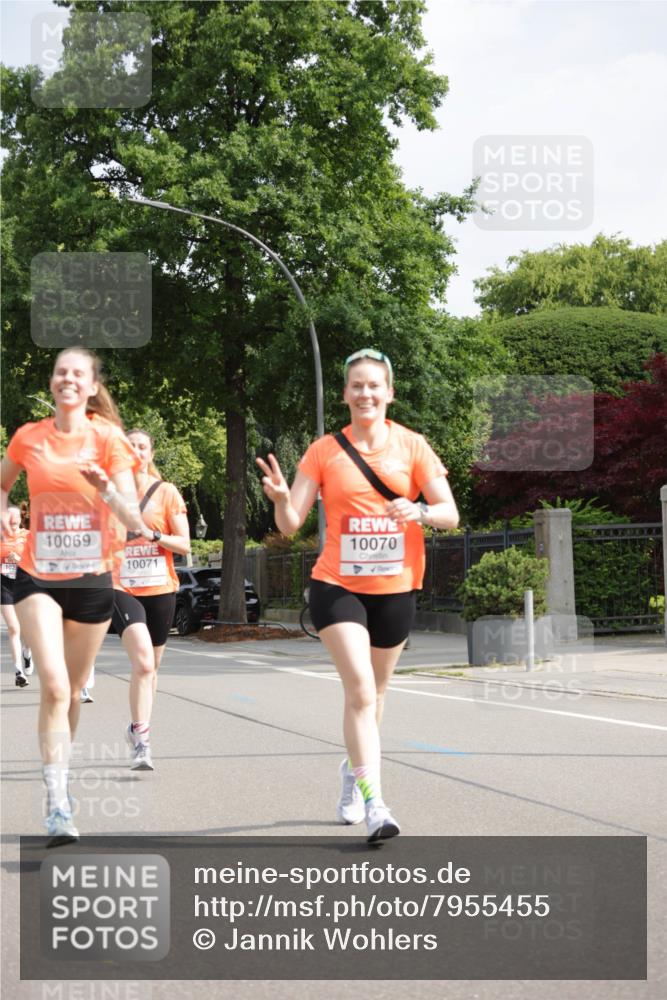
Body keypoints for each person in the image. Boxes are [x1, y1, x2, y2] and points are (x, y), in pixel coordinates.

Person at [257, 348, 459, 843]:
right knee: (362, 691)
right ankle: (376, 804)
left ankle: (353, 770)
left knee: (376, 695)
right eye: (356, 386)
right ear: (345, 394)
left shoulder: (413, 446)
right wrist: (284, 500)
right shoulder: (323, 451)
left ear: (388, 392)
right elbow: (290, 525)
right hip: (337, 586)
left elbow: (449, 513)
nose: (365, 393)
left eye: (374, 385)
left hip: (396, 587)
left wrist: (420, 512)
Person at [0, 348, 155, 847]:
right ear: (52, 383)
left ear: (91, 387)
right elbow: (1, 486)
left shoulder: (109, 439)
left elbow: (134, 520)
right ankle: (58, 802)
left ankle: (59, 780)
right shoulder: (30, 437)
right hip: (38, 577)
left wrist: (108, 489)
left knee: (70, 689)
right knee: (53, 684)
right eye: (61, 372)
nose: (68, 379)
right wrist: (3, 511)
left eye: (78, 374)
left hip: (92, 580)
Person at [111, 429, 190, 772]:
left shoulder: (167, 493)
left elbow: (185, 545)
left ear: (150, 452)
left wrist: (154, 534)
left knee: (152, 668)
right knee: (143, 664)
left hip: (160, 588)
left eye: (142, 446)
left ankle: (135, 726)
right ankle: (142, 741)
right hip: (120, 586)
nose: (137, 451)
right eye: (130, 447)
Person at [1, 505, 31, 686]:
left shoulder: (27, 536)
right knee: (13, 628)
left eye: (15, 523)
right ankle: (19, 671)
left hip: (24, 585)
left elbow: (37, 562)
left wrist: (20, 560)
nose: (12, 527)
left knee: (27, 631)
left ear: (20, 520)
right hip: (4, 585)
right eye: (9, 523)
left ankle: (27, 653)